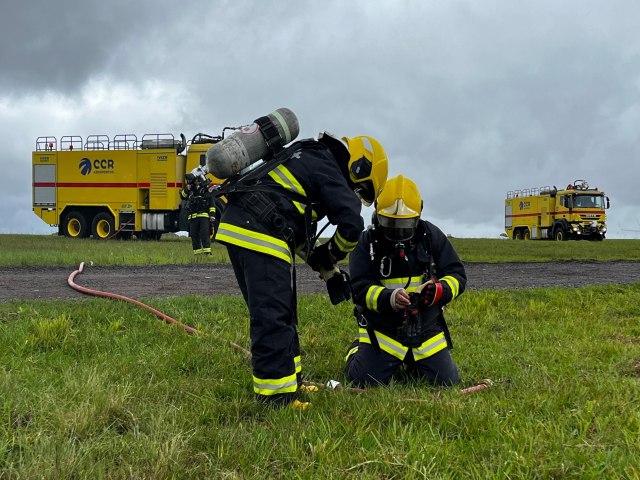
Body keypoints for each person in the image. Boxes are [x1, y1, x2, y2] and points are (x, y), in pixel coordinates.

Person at [213, 131, 388, 408]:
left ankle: (291, 381)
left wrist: (328, 270)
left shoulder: (308, 155)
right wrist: (333, 253)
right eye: (361, 188)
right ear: (358, 168)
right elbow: (351, 224)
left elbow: (291, 225)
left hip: (251, 227)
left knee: (284, 312)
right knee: (272, 316)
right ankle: (276, 398)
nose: (355, 193)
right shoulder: (327, 163)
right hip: (260, 235)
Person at [345, 175, 466, 388]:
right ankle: (356, 350)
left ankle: (413, 361)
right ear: (377, 213)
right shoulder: (366, 242)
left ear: (419, 215)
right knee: (362, 380)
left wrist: (440, 291)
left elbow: (457, 274)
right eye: (389, 223)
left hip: (425, 327)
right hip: (384, 329)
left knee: (447, 382)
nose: (398, 232)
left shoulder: (430, 235)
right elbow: (359, 288)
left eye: (406, 224)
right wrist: (389, 298)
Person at [180, 173, 218, 256]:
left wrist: (212, 215)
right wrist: (187, 189)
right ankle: (197, 254)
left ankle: (207, 253)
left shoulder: (205, 190)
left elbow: (212, 204)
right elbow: (182, 196)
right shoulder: (190, 189)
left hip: (204, 216)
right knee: (194, 235)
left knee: (205, 234)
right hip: (193, 216)